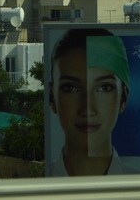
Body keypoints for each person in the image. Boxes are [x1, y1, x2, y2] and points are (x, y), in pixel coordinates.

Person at [49, 27, 135, 176]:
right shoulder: (33, 190)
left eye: (104, 87)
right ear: (52, 97)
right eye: (71, 88)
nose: (87, 109)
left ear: (123, 97)